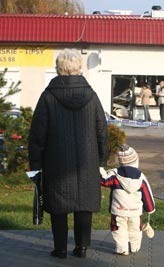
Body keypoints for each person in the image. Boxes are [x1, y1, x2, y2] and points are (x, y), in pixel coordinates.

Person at [28, 49, 108, 259]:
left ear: (58, 68)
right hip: (87, 162)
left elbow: (37, 133)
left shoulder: (48, 96)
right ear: (78, 67)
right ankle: (82, 247)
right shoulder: (91, 96)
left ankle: (60, 248)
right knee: (84, 205)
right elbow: (102, 130)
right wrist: (101, 160)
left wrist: (35, 164)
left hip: (56, 161)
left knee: (59, 206)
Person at [100, 144, 155, 255]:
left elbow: (104, 181)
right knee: (135, 230)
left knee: (118, 230)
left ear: (121, 161)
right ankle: (135, 247)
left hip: (118, 211)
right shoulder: (141, 177)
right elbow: (147, 193)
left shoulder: (114, 174)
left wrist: (100, 169)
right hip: (135, 212)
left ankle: (122, 248)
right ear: (135, 161)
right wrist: (150, 208)